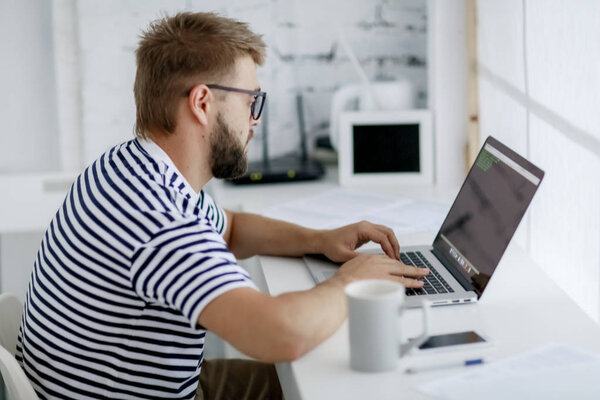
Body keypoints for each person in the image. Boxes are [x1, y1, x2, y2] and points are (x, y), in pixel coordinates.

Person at [16, 11, 429, 400]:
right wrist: (353, 282)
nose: (256, 120)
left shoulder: (127, 167)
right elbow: (280, 334)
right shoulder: (158, 218)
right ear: (202, 103)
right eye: (252, 102)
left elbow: (229, 229)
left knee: (319, 376)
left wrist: (320, 239)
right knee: (333, 381)